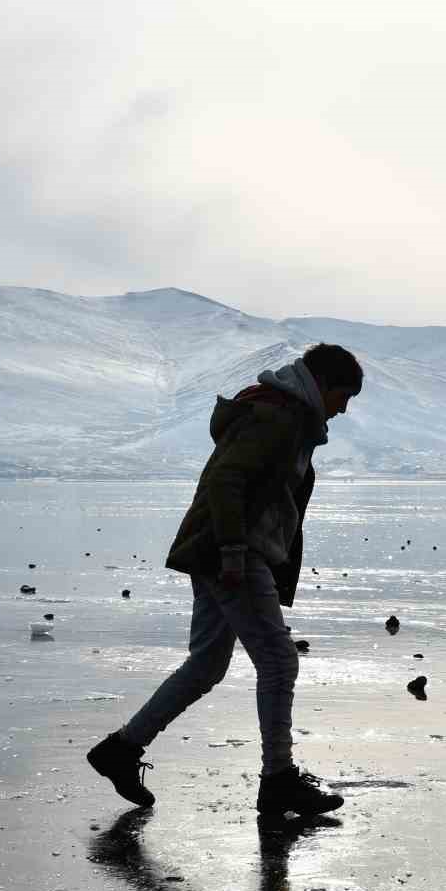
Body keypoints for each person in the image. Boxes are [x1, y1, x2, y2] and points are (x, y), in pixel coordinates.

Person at [87, 343, 363, 816]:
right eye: (343, 395)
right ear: (321, 384)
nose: (344, 408)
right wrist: (235, 550)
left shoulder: (286, 416)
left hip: (224, 550)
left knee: (207, 664)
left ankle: (121, 750)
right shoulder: (277, 417)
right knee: (278, 662)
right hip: (232, 554)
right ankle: (278, 779)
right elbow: (226, 481)